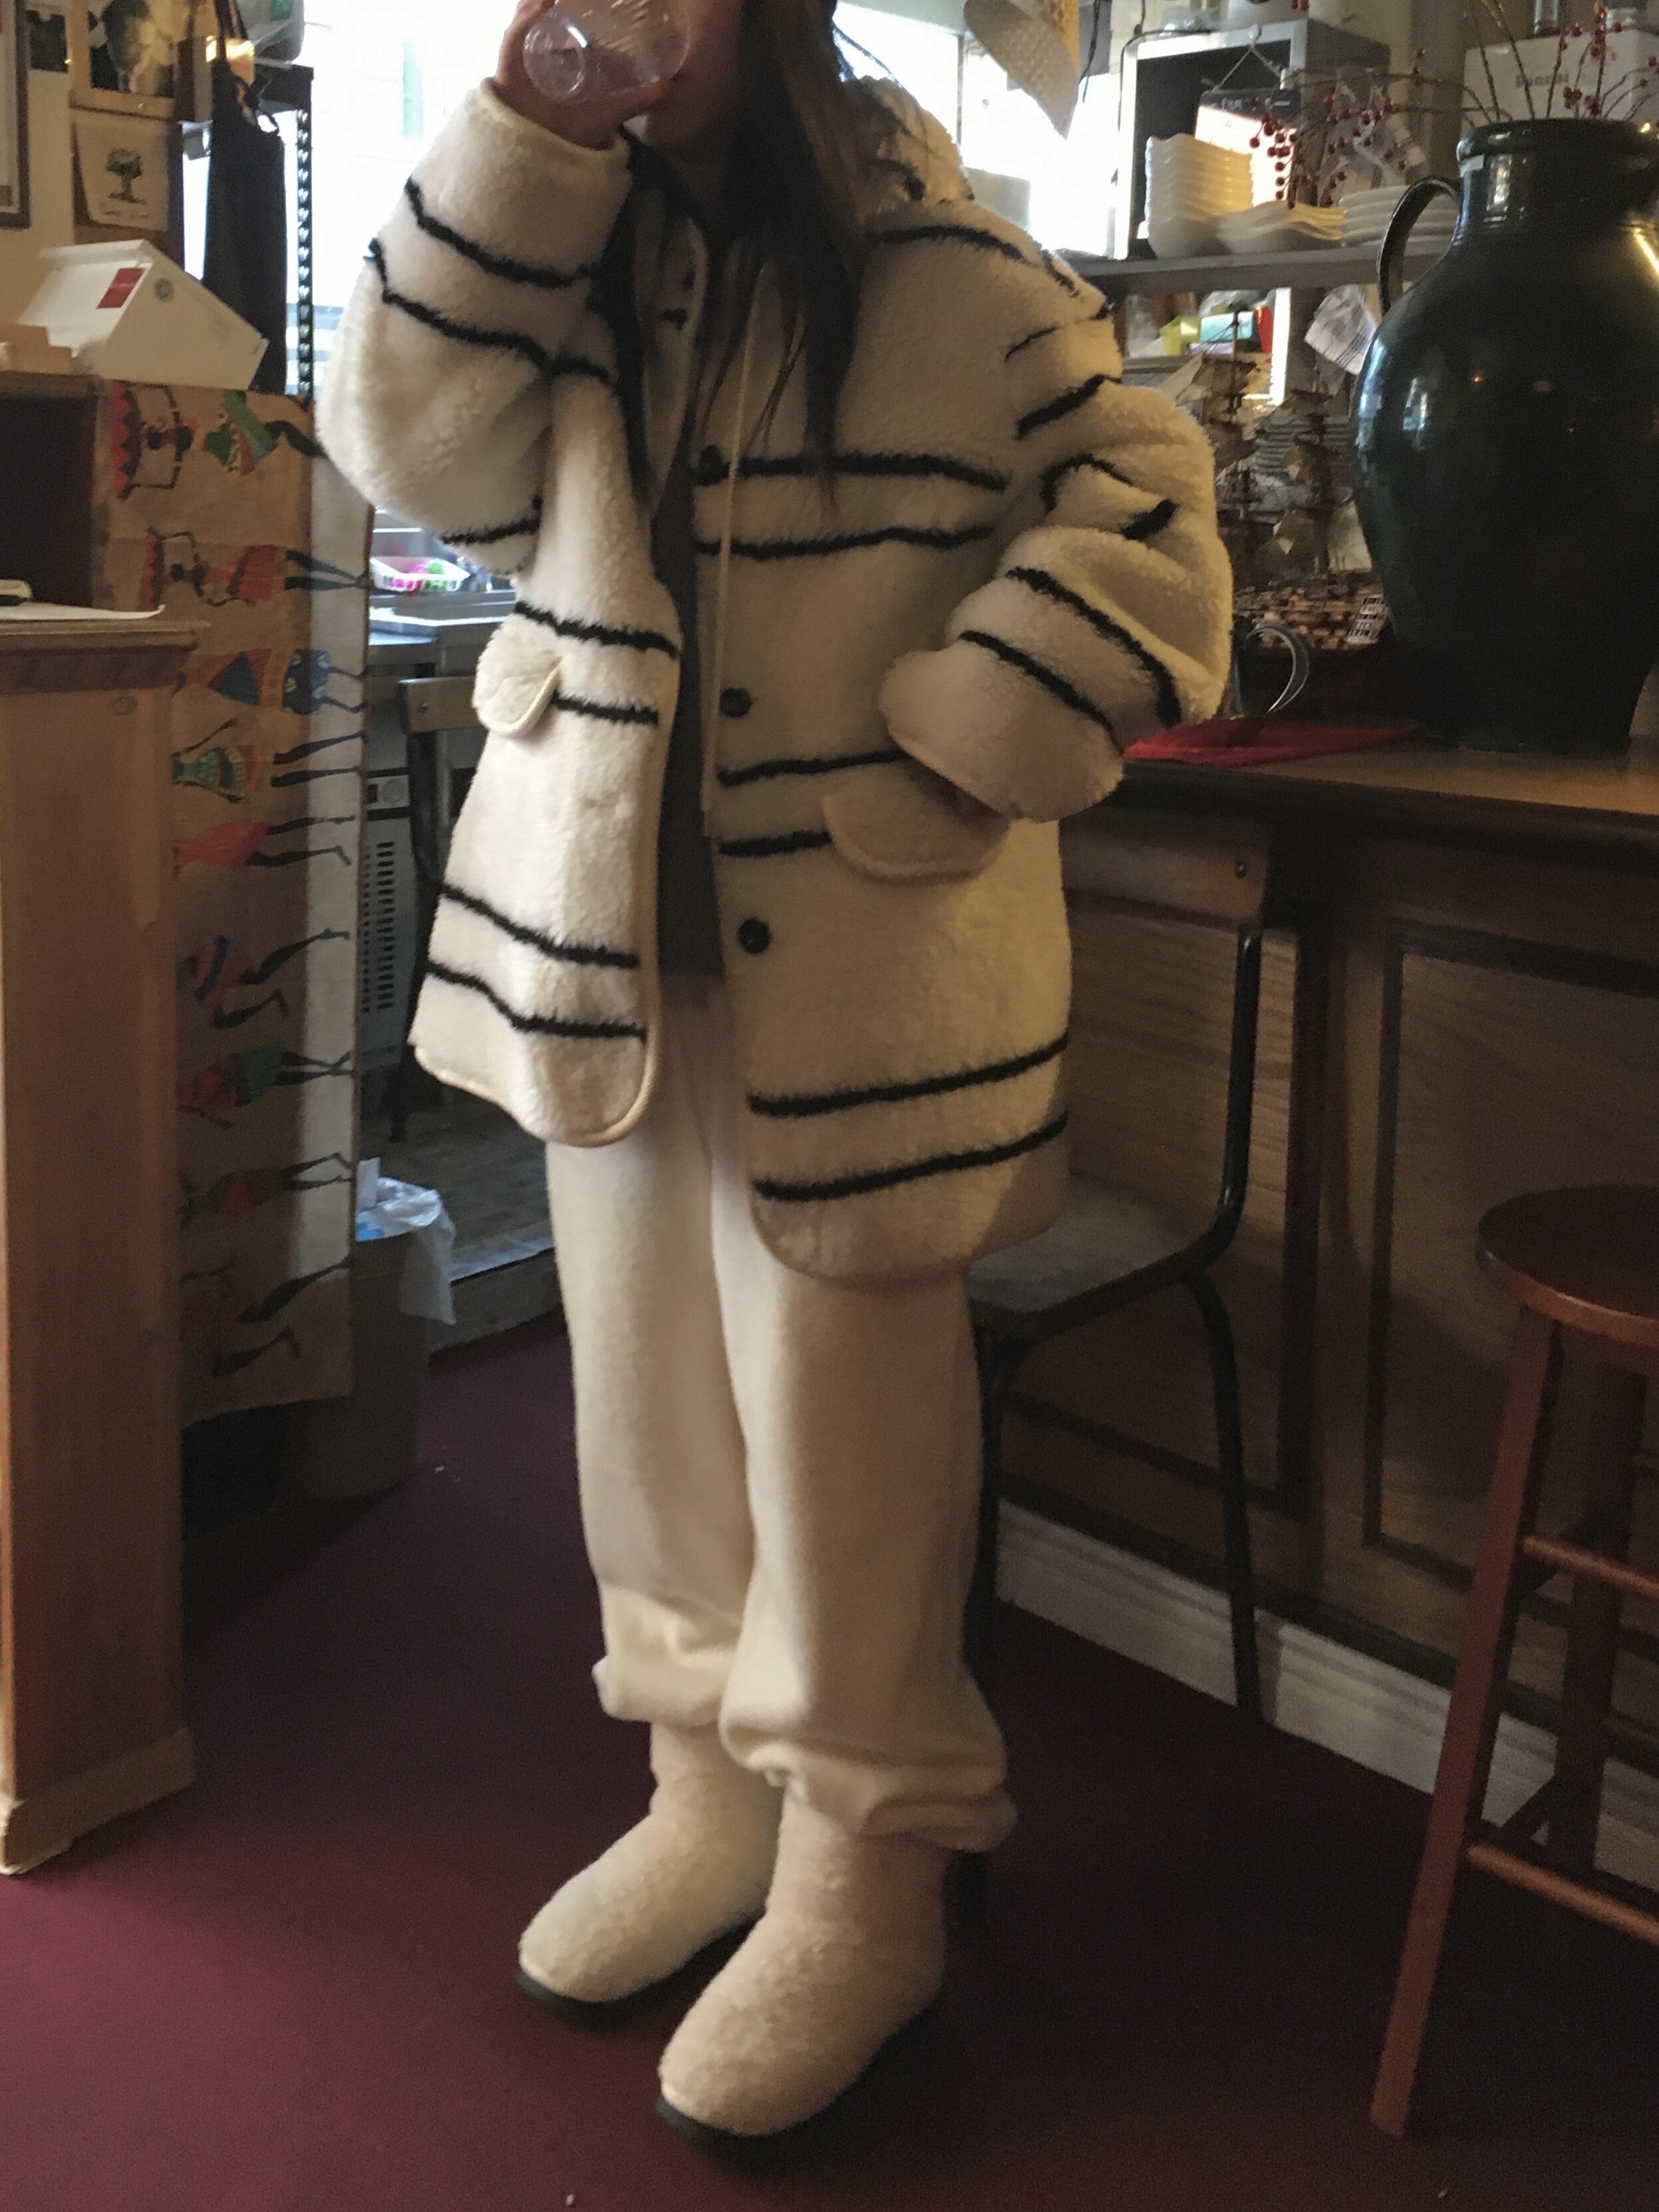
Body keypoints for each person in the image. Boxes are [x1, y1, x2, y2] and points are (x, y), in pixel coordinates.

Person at [321, 0, 1231, 2145]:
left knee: (846, 1439)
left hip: (869, 964)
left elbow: (1158, 515)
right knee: (643, 1408)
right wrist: (524, 132)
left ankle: (863, 1866)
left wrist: (975, 723)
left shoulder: (961, 275)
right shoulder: (568, 253)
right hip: (602, 946)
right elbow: (402, 446)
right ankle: (702, 1791)